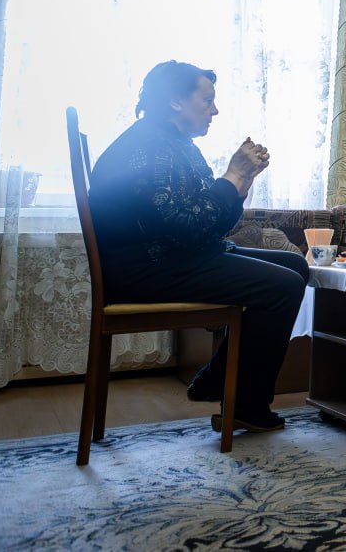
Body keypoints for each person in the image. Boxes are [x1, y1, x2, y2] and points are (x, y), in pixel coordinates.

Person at [88, 60, 309, 433]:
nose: (215, 110)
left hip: (173, 256)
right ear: (176, 101)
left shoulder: (174, 143)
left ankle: (217, 381)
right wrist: (232, 176)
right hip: (147, 268)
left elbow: (211, 224)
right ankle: (244, 402)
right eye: (207, 100)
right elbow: (186, 228)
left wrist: (241, 183)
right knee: (283, 286)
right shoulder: (149, 148)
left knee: (295, 266)